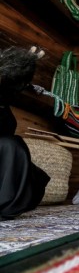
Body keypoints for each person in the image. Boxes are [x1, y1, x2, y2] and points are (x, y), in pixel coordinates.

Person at [0, 46, 50, 220]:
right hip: (6, 146)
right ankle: (5, 206)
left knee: (36, 177)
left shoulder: (4, 100)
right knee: (13, 145)